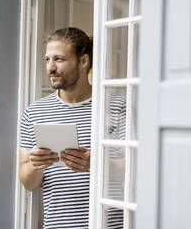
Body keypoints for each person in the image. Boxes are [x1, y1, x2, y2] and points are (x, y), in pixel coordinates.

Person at [19, 27, 124, 229]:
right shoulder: (34, 112)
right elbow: (28, 183)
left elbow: (135, 169)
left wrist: (96, 163)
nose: (50, 67)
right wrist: (35, 164)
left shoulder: (117, 106)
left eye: (58, 59)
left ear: (83, 61)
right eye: (47, 60)